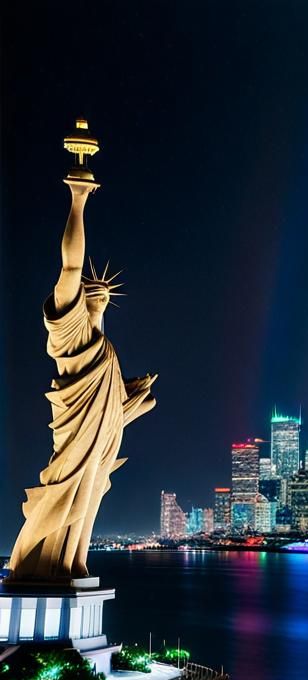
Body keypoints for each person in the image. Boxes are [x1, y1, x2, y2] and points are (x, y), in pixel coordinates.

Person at [5, 178, 156, 581]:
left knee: (85, 507)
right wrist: (78, 201)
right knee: (63, 500)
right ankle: (36, 565)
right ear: (77, 300)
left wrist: (132, 404)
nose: (101, 302)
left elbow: (107, 408)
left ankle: (70, 563)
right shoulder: (67, 332)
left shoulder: (104, 348)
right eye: (96, 296)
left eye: (105, 299)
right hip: (76, 444)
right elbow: (71, 266)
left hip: (98, 448)